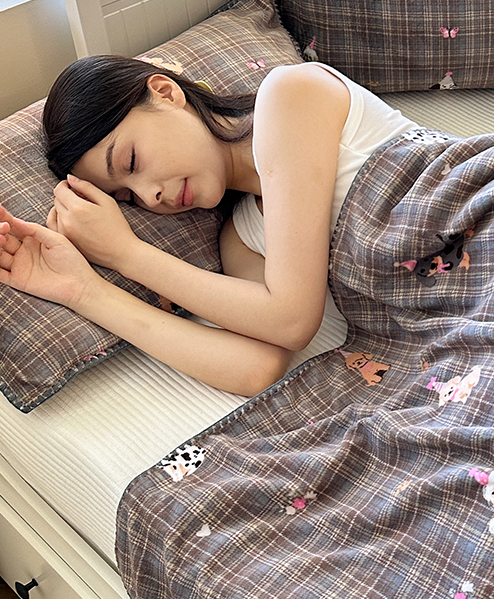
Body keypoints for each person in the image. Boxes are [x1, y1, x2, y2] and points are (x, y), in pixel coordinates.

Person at [0, 56, 418, 396]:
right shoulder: (242, 238)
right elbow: (255, 368)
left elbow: (293, 320)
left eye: (131, 161)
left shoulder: (290, 94)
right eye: (126, 197)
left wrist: (126, 254)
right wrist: (84, 291)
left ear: (165, 93)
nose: (149, 196)